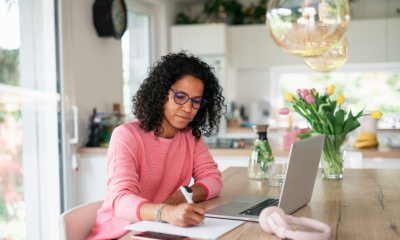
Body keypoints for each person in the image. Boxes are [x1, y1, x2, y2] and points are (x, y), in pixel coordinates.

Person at [88, 52, 226, 239]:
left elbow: (213, 180)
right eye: (180, 97)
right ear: (161, 94)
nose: (188, 108)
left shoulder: (190, 137)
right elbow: (121, 201)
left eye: (196, 101)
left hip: (159, 229)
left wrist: (182, 195)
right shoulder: (126, 135)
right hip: (123, 234)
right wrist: (166, 211)